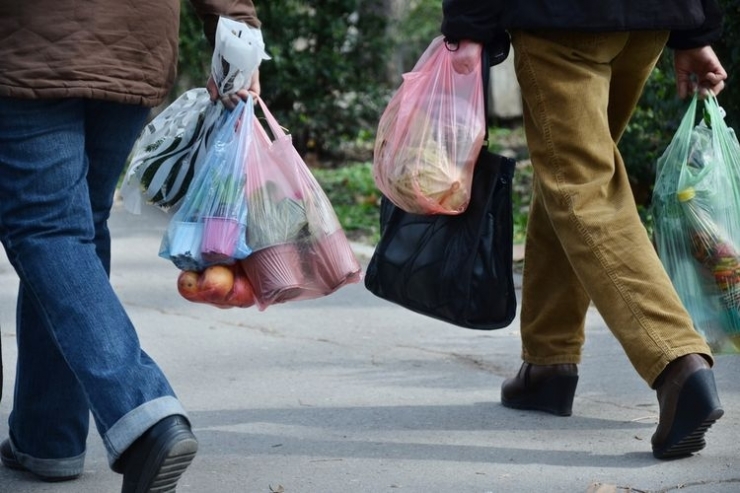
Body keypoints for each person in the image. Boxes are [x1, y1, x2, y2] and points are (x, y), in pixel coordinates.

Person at [441, 1, 727, 459]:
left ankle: (677, 361)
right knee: (569, 173)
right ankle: (548, 363)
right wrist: (697, 30)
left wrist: (467, 26)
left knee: (581, 188)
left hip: (562, 21)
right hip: (648, 20)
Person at [0, 0, 261, 490]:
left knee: (48, 229)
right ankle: (47, 436)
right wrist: (238, 31)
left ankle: (142, 414)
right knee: (75, 228)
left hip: (27, 40)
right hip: (133, 39)